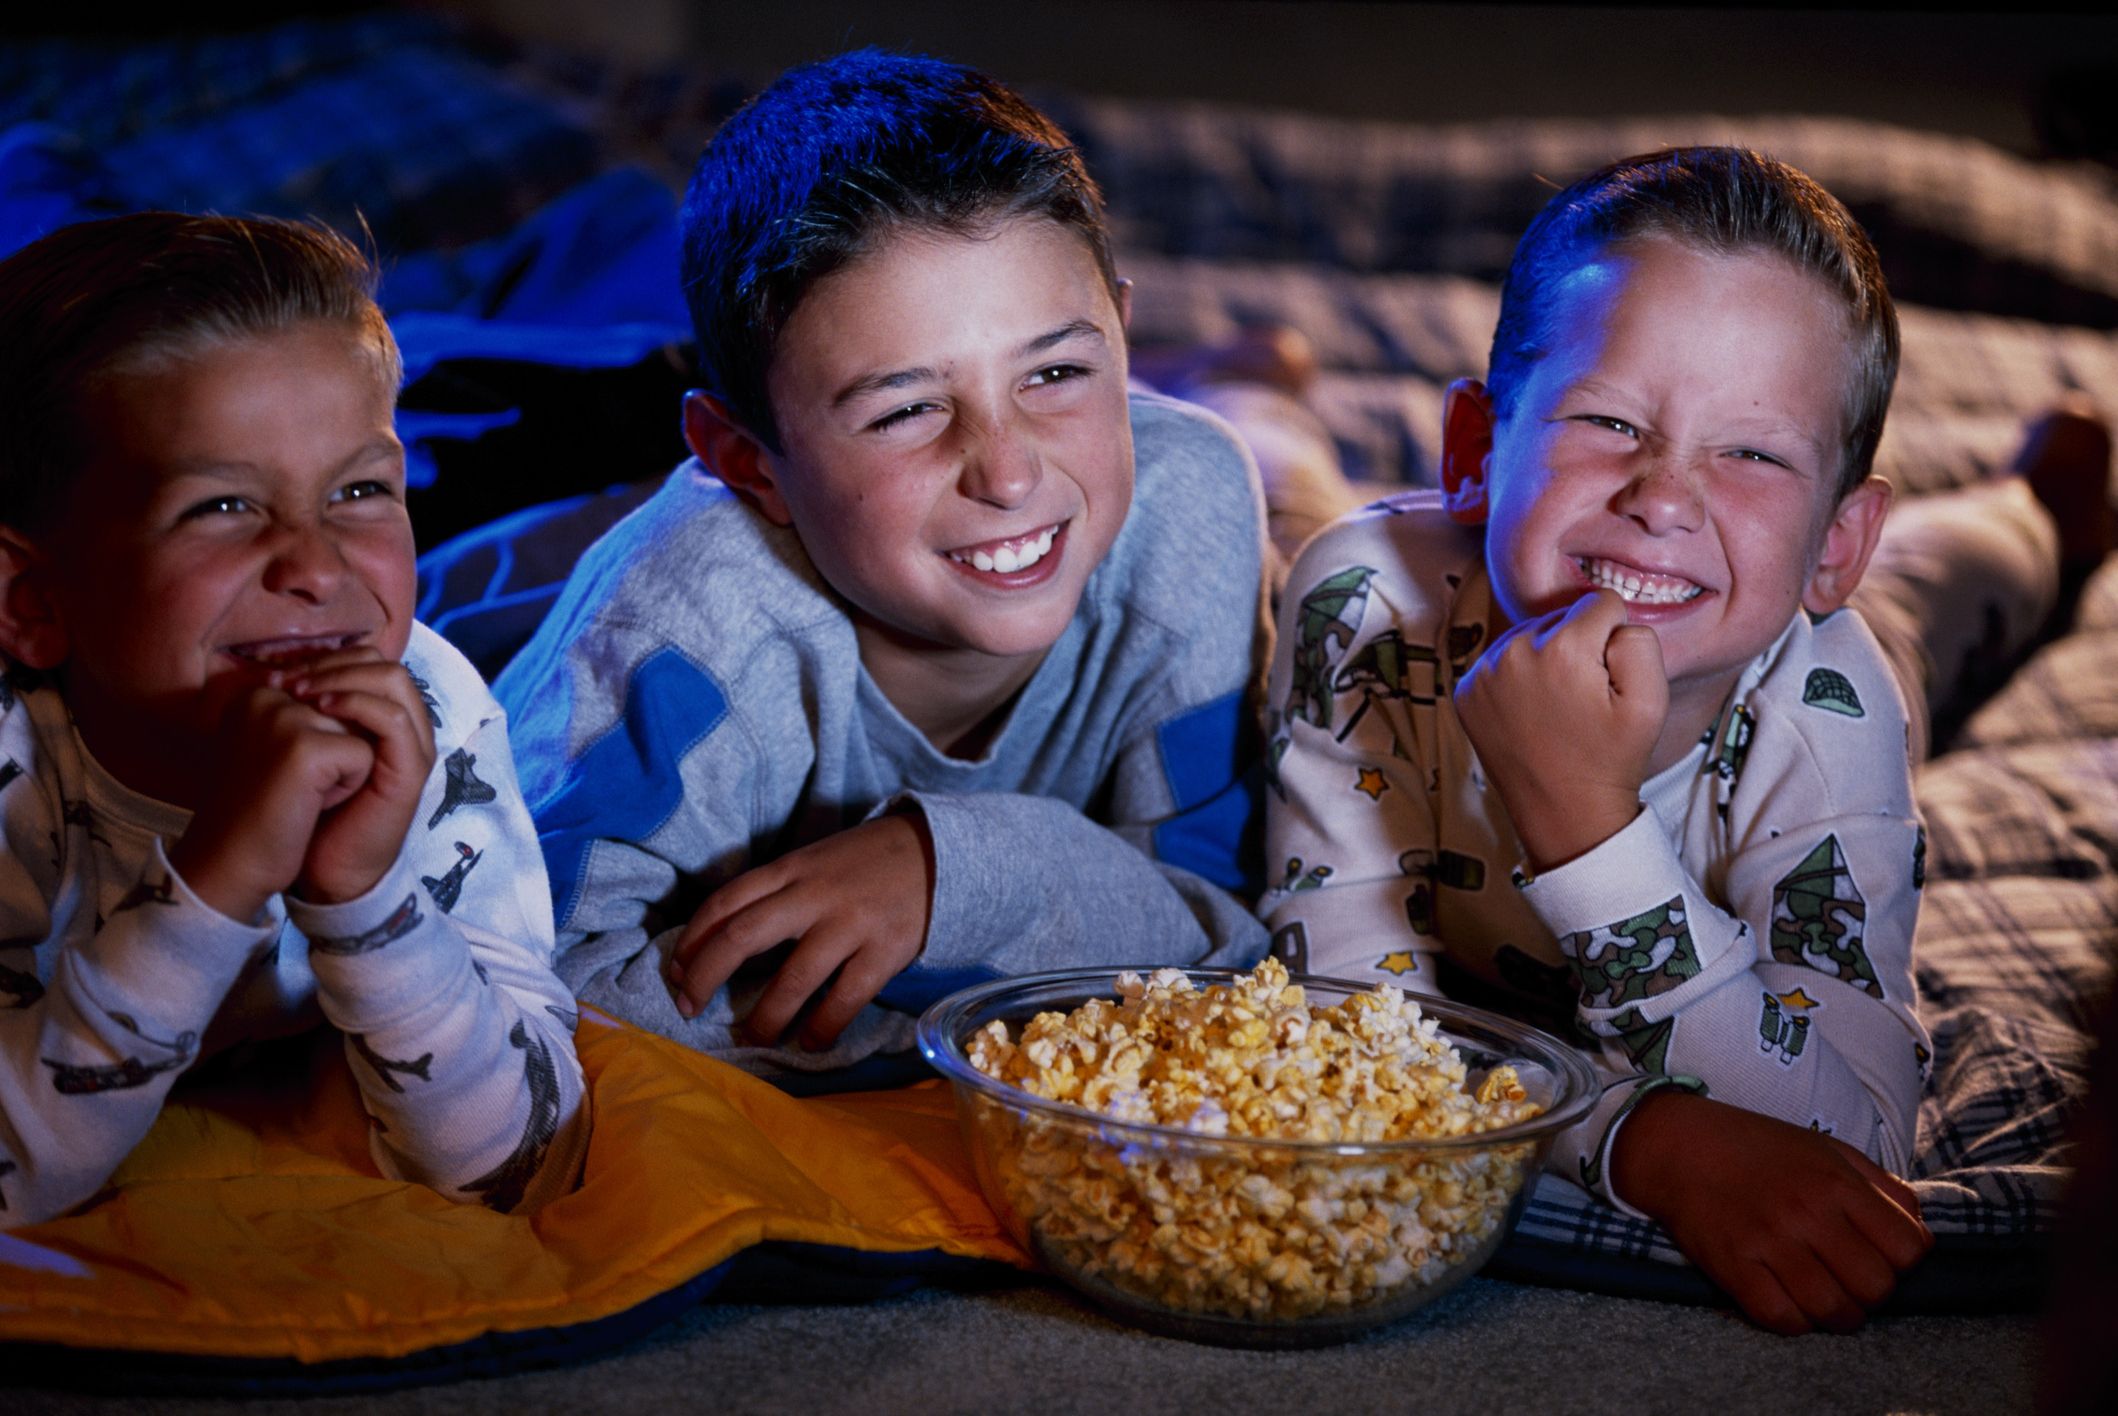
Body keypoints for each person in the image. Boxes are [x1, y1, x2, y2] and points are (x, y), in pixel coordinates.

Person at [1261, 146, 2106, 1333]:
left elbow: (1849, 1138)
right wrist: (1633, 1137)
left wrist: (1586, 830)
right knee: (1290, 498)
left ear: (1833, 545)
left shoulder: (1828, 707)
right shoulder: (1360, 610)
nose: (1664, 496)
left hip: (1816, 648)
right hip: (1432, 561)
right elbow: (1334, 1036)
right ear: (1473, 450)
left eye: (1753, 452)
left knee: (1947, 593)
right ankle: (1254, 386)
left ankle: (2043, 502)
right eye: (1608, 419)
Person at [494, 50, 1271, 1089]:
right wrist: (974, 1012)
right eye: (906, 409)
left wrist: (963, 873)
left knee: (1274, 452)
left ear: (1121, 342)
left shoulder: (1194, 508)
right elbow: (516, 995)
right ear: (743, 462)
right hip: (521, 563)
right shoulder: (676, 638)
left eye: (1058, 372)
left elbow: (1225, 945)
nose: (1005, 471)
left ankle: (1255, 375)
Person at [0, 213, 589, 1229]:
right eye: (222, 507)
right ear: (34, 604)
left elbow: (523, 1163)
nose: (316, 568)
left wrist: (366, 898)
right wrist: (217, 882)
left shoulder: (428, 708)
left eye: (360, 489)